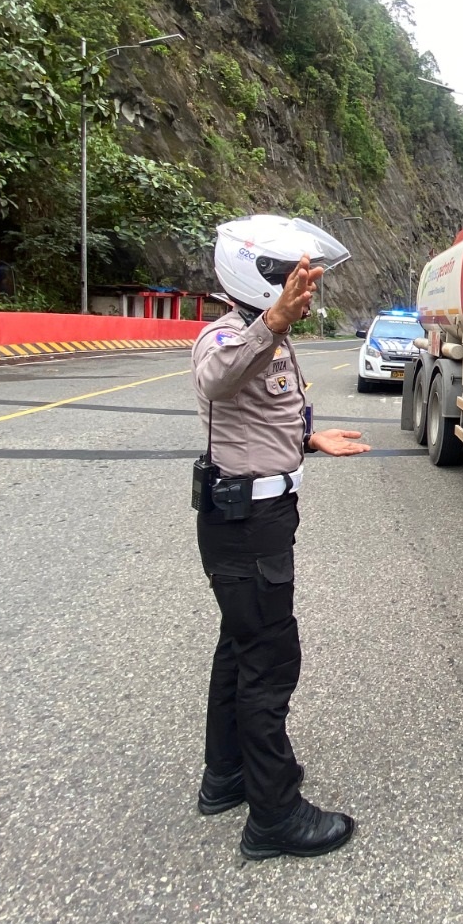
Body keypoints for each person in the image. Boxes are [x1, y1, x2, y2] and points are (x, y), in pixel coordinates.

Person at [191, 214, 369, 859]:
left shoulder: (267, 336)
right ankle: (275, 816)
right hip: (246, 525)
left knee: (238, 652)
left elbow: (262, 415)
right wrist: (273, 322)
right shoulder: (228, 334)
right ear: (255, 275)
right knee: (269, 662)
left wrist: (308, 439)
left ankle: (226, 777)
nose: (303, 289)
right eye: (288, 276)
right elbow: (217, 379)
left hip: (254, 516)